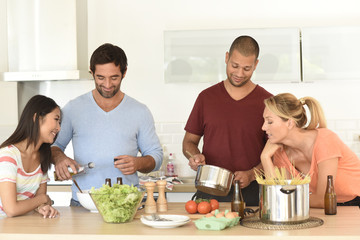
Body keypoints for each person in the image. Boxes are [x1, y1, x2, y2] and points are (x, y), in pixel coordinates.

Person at [51, 43, 163, 206]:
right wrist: (60, 158)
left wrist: (138, 163)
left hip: (126, 203)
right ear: (92, 72)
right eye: (101, 77)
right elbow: (54, 146)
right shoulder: (73, 109)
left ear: (124, 72)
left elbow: (156, 156)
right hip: (83, 203)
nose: (108, 84)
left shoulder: (140, 111)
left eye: (114, 77)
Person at [182, 35, 272, 205]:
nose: (239, 73)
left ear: (256, 65)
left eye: (247, 68)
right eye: (234, 66)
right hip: (209, 191)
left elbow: (277, 154)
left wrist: (252, 174)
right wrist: (194, 156)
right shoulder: (206, 98)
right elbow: (188, 142)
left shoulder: (268, 103)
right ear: (226, 58)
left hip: (253, 194)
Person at [261, 93, 360, 208]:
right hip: (320, 209)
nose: (263, 127)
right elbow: (275, 198)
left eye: (270, 122)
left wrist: (286, 199)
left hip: (354, 205)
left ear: (290, 123)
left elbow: (324, 199)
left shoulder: (325, 140)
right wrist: (265, 158)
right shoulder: (280, 153)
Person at [0, 95, 60, 218]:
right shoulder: (8, 156)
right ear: (36, 118)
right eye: (56, 119)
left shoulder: (42, 157)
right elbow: (11, 209)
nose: (58, 128)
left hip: (25, 224)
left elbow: (41, 203)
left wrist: (43, 207)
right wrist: (42, 199)